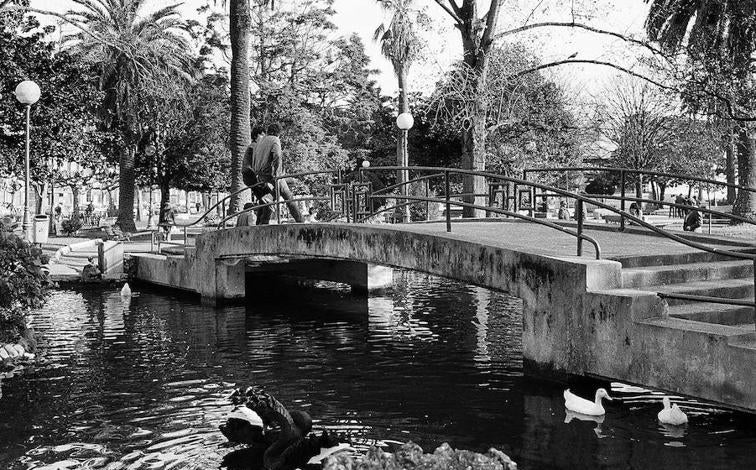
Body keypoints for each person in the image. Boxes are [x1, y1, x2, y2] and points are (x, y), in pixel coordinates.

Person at [249, 123, 304, 224]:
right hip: (270, 173)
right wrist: (277, 172)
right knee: (288, 196)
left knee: (268, 200)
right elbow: (277, 155)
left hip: (260, 174)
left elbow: (254, 158)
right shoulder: (275, 140)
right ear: (278, 133)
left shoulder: (260, 141)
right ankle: (300, 221)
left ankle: (263, 222)